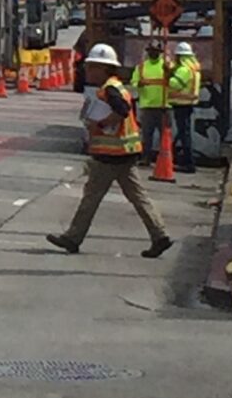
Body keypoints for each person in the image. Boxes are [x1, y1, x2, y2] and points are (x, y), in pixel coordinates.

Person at [47, 43, 173, 260]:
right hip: (125, 152)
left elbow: (122, 112)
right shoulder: (115, 87)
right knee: (138, 196)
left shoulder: (110, 90)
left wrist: (101, 125)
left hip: (110, 155)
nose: (87, 71)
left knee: (91, 197)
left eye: (92, 67)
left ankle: (73, 237)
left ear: (103, 69)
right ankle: (159, 235)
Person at [131, 36, 171, 169]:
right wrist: (139, 83)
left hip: (163, 106)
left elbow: (173, 81)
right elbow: (134, 82)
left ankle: (165, 161)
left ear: (160, 52)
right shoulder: (141, 67)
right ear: (148, 52)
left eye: (156, 51)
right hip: (147, 106)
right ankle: (145, 158)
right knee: (146, 135)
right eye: (151, 51)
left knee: (164, 137)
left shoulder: (166, 66)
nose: (153, 53)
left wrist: (169, 71)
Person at [168, 39, 202, 172]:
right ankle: (187, 160)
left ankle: (188, 163)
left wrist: (168, 76)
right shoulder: (193, 68)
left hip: (181, 104)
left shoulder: (183, 70)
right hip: (188, 104)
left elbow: (175, 84)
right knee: (184, 133)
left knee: (184, 134)